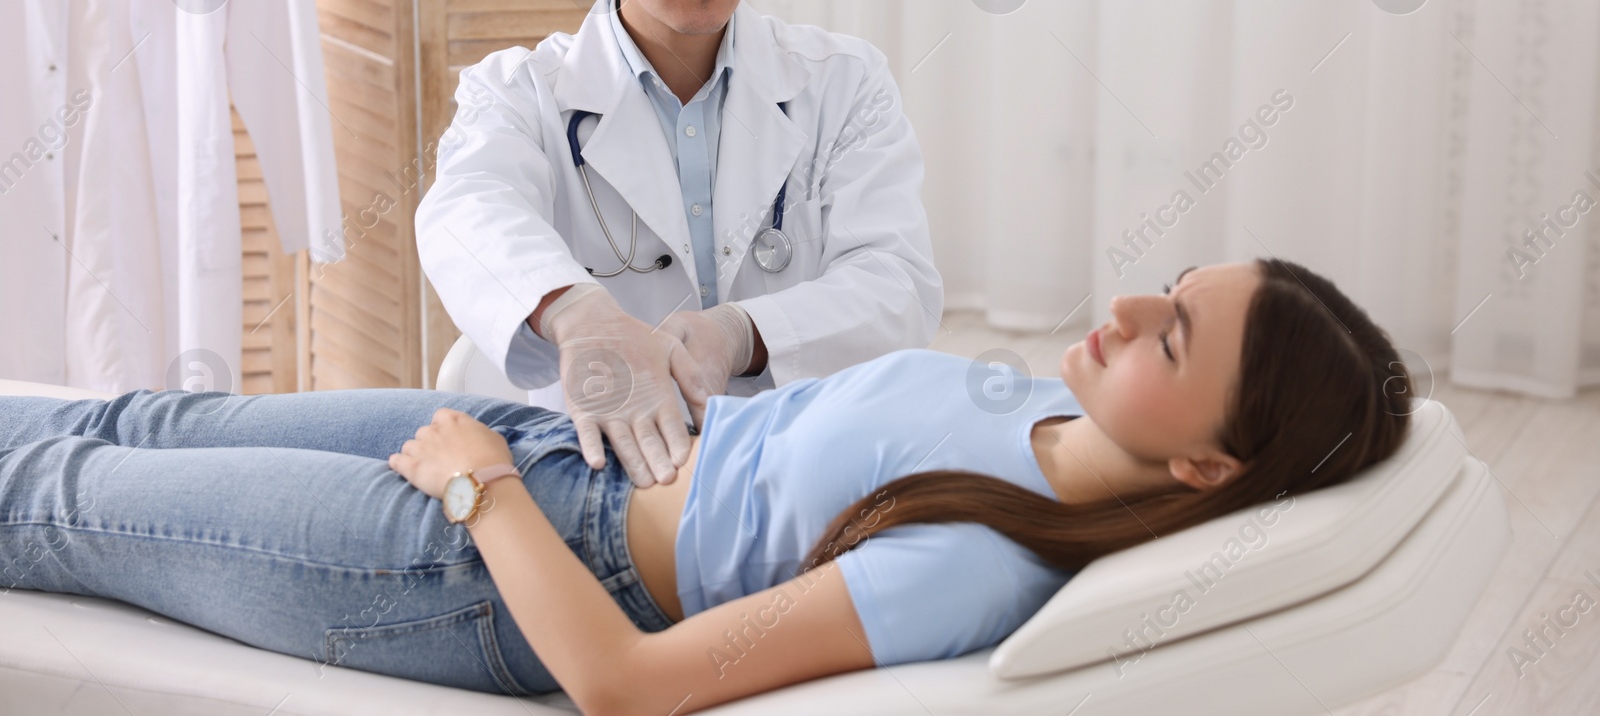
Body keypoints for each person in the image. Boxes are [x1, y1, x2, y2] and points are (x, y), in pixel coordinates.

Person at [0, 259, 1413, 713]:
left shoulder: (984, 559)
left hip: (484, 558)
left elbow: (628, 681)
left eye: (1170, 332)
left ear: (1209, 463)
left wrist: (485, 486)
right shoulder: (1039, 402)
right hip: (553, 445)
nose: (1124, 302)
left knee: (63, 496)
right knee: (140, 413)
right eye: (1168, 290)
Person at [413, 0, 942, 491]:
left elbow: (898, 287)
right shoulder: (520, 93)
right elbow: (466, 212)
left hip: (803, 467)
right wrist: (580, 314)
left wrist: (741, 333)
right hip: (601, 479)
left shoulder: (844, 84)